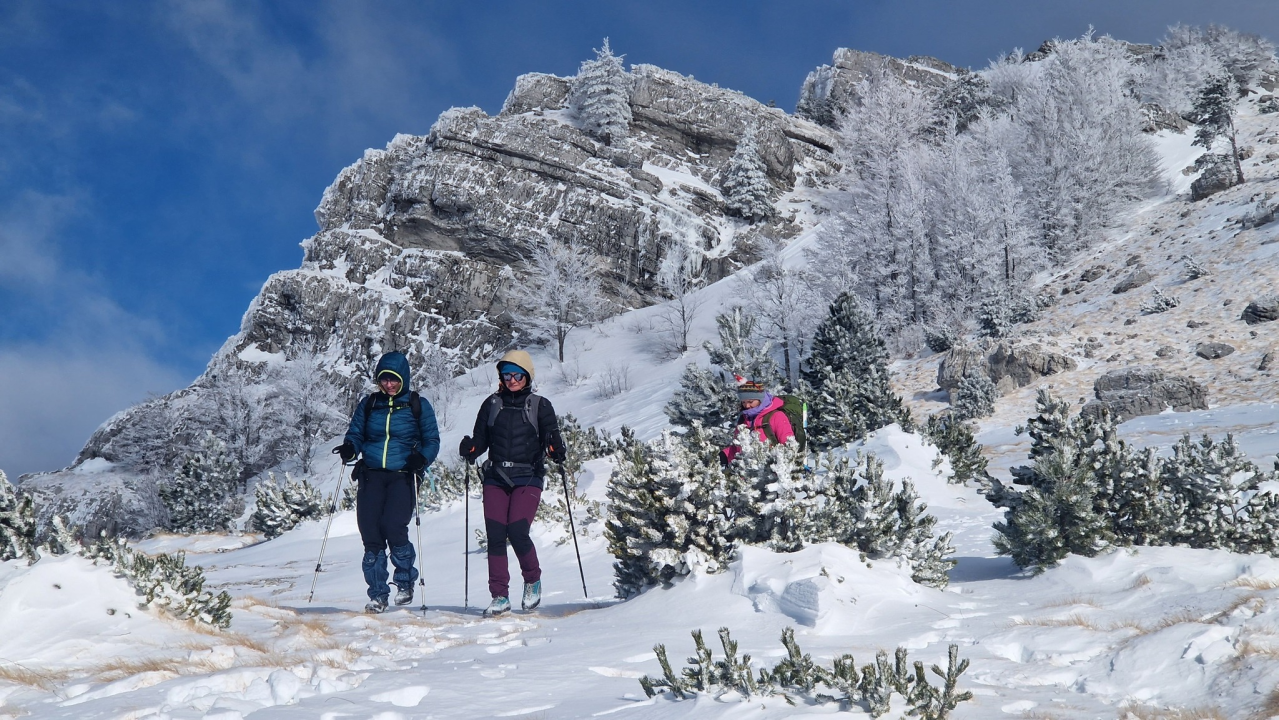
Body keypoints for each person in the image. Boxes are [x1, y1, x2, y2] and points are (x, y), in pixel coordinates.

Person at [458, 350, 566, 617]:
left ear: (527, 375)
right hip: (495, 476)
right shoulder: (491, 404)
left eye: (517, 374)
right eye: (507, 374)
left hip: (528, 476)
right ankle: (500, 596)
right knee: (495, 536)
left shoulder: (540, 405)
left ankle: (532, 580)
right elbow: (480, 441)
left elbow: (552, 439)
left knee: (517, 531)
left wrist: (555, 449)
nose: (512, 379)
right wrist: (470, 449)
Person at [334, 351, 440, 614]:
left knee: (393, 526)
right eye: (384, 380)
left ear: (402, 378)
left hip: (403, 475)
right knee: (371, 534)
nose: (388, 385)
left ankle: (405, 581)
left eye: (393, 379)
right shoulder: (369, 404)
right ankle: (378, 595)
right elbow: (356, 433)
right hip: (370, 474)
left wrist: (422, 459)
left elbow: (432, 440)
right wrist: (350, 447)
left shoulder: (418, 404)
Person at [720, 378, 795, 465]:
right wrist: (724, 455)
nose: (747, 406)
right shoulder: (744, 419)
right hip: (747, 474)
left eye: (750, 401)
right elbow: (738, 448)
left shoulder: (776, 416)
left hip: (771, 473)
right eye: (743, 402)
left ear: (760, 399)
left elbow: (789, 446)